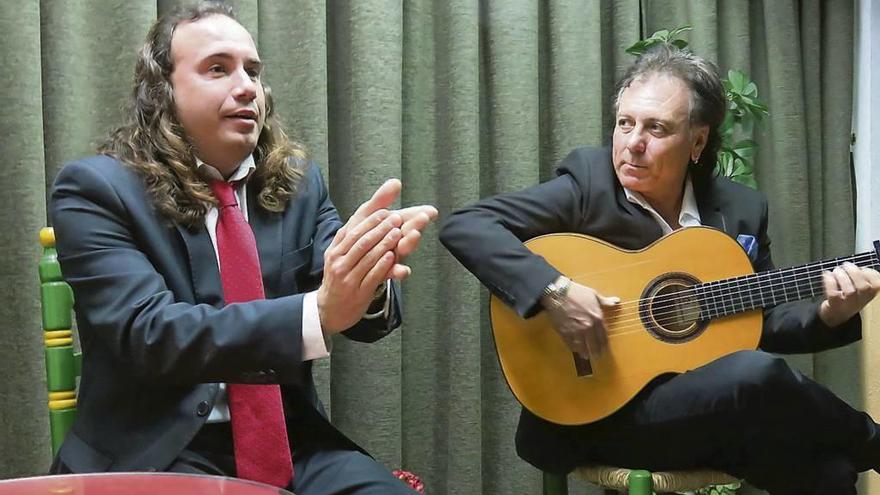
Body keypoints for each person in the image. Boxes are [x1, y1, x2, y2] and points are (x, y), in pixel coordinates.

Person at [440, 43, 880, 495]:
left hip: (701, 417)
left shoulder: (738, 209)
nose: (633, 143)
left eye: (656, 128)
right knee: (758, 375)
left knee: (826, 470)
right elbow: (467, 226)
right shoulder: (589, 184)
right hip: (591, 415)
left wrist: (832, 314)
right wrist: (555, 291)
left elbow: (762, 324)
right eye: (625, 123)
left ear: (698, 141)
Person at [49, 3, 436, 494]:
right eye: (218, 69)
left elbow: (362, 318)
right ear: (162, 92)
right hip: (155, 451)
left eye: (253, 71)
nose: (247, 86)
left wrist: (367, 277)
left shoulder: (300, 185)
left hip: (292, 445)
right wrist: (318, 312)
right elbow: (150, 335)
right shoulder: (94, 190)